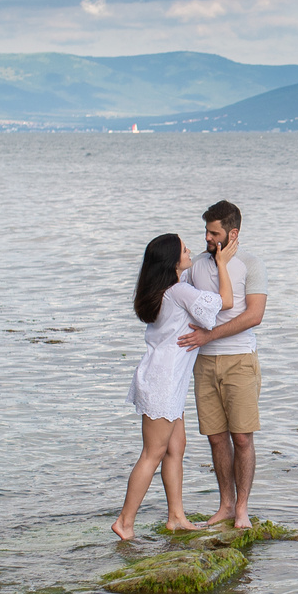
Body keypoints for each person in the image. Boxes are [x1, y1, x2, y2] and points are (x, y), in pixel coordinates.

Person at [113, 230, 236, 542]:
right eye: (184, 249)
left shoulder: (165, 290)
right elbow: (225, 302)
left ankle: (176, 517)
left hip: (166, 378)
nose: (190, 250)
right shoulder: (178, 291)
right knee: (152, 453)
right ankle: (125, 522)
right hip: (163, 381)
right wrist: (222, 263)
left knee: (175, 448)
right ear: (172, 261)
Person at [177, 199, 268, 527]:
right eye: (205, 231)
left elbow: (254, 315)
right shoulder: (195, 266)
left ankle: (242, 508)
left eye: (213, 233)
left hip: (240, 360)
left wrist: (208, 335)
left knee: (242, 437)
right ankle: (226, 505)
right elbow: (178, 302)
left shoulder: (251, 264)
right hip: (203, 363)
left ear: (233, 233)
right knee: (216, 437)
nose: (206, 238)